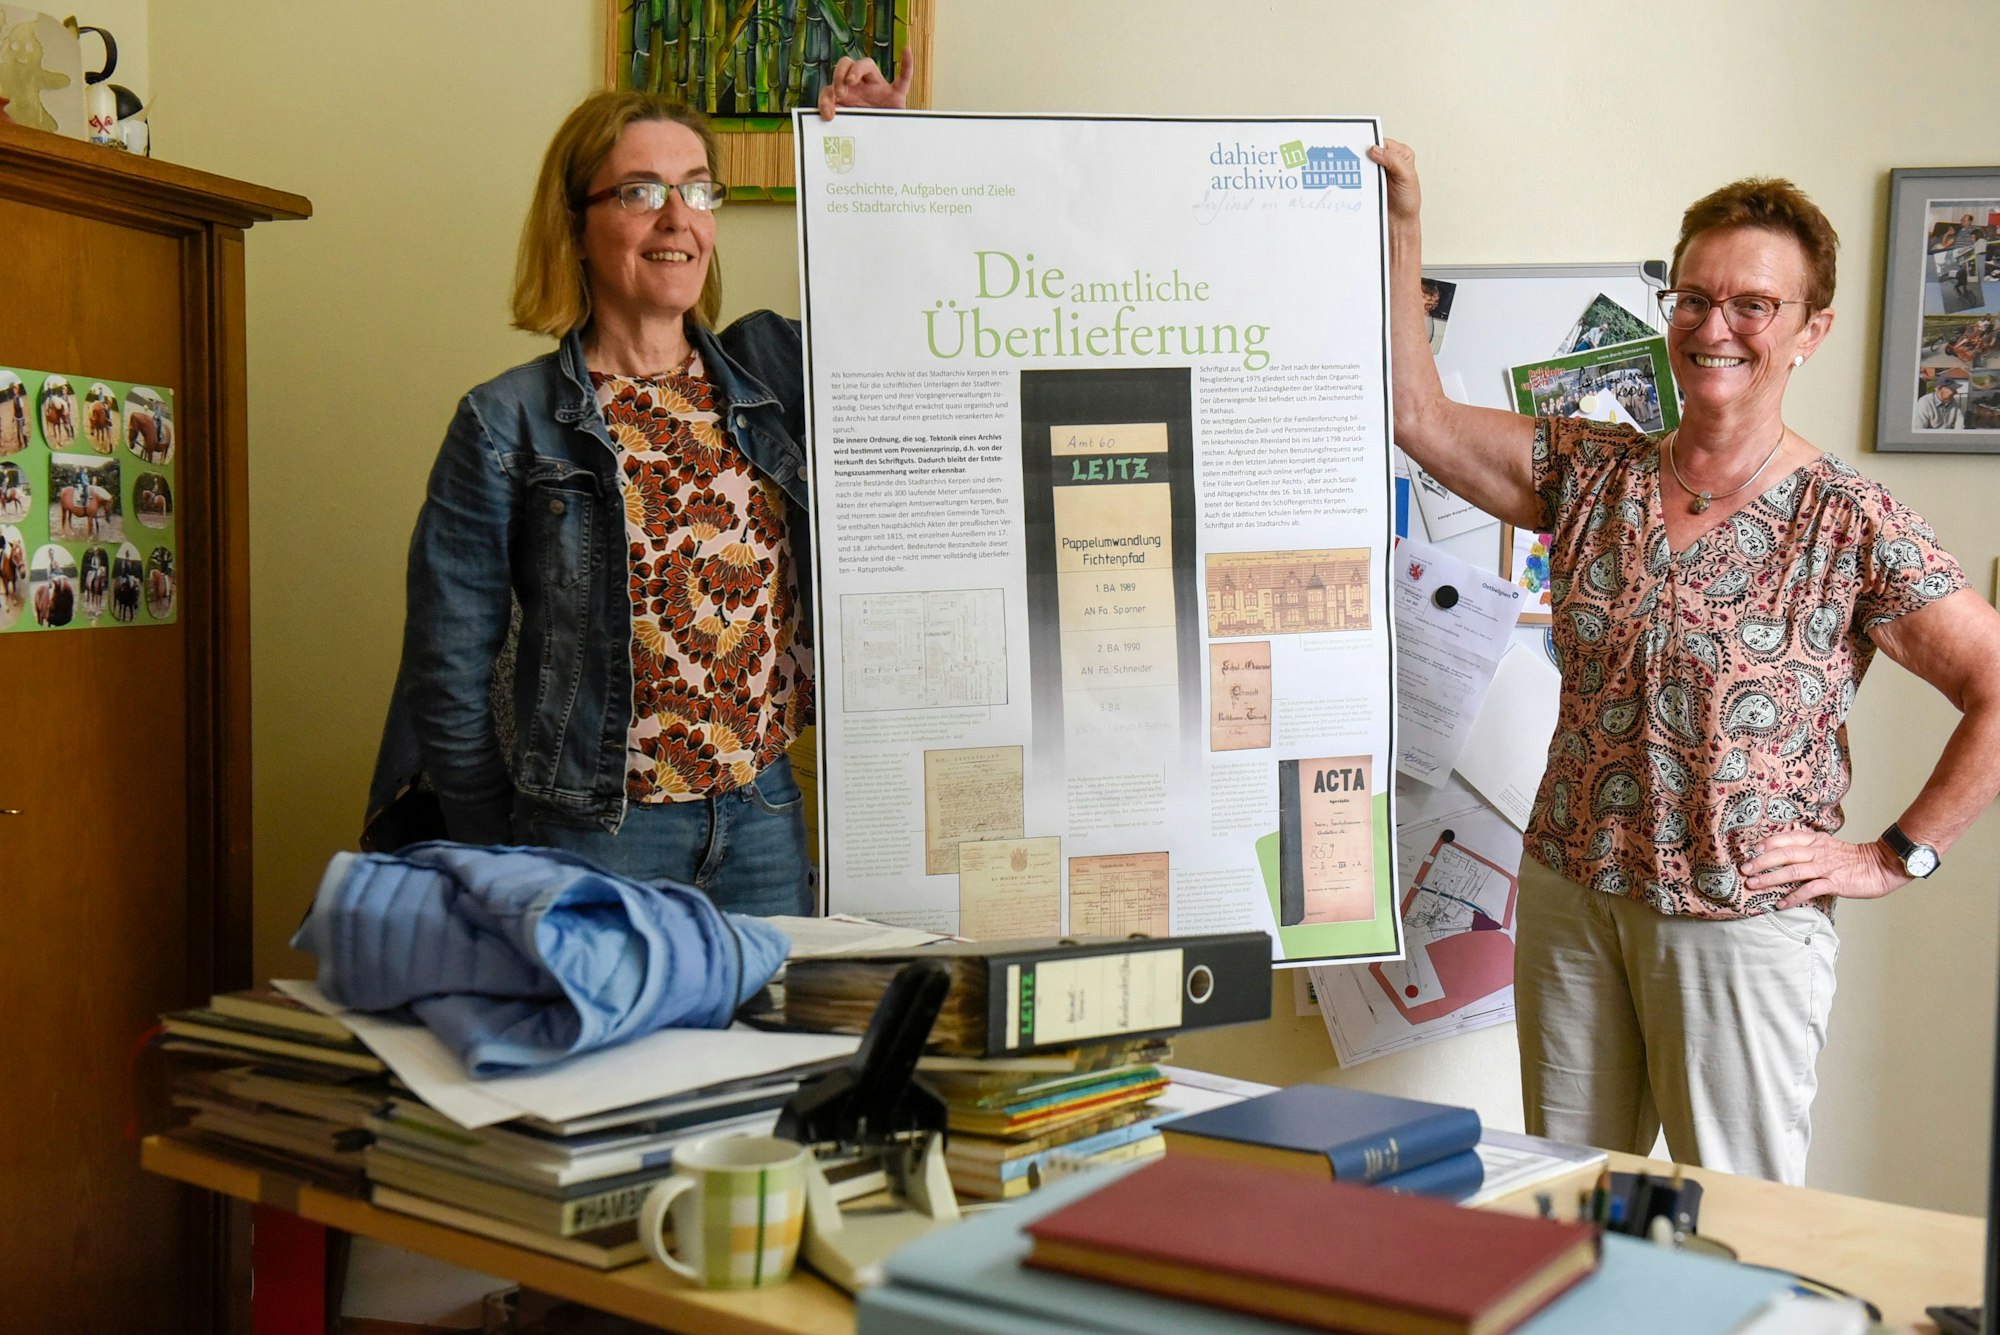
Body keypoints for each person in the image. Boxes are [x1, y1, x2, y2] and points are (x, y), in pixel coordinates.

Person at [1368, 140, 2000, 1184]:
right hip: (1572, 895)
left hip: (1738, 921)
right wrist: (1400, 231)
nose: (1714, 327)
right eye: (1692, 297)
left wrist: (1889, 857)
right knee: (1570, 1199)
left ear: (1809, 330)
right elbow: (1416, 417)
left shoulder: (1848, 519)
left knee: (1737, 1221)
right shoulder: (1588, 471)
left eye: (1752, 304)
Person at [365, 57, 912, 916]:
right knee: (610, 1054)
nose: (677, 218)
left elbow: (901, 315)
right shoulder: (505, 422)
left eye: (698, 190)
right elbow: (447, 668)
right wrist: (497, 847)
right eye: (640, 191)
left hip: (762, 815)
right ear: (576, 226)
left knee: (770, 1051)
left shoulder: (772, 374)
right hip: (595, 837)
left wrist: (881, 155)